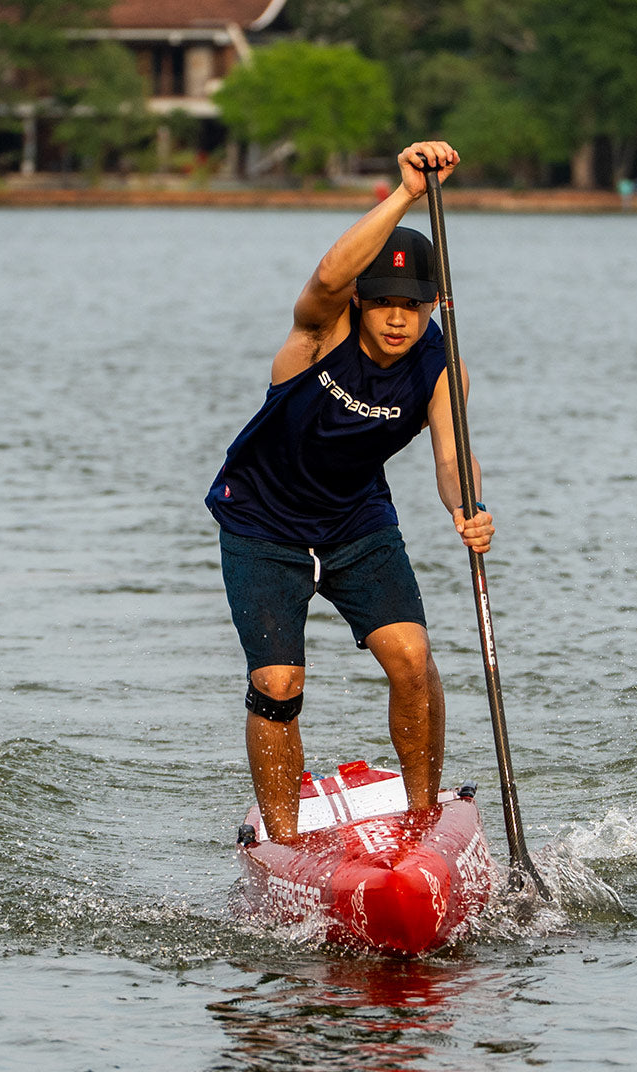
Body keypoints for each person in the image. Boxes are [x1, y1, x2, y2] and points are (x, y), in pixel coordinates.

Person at [206, 139, 494, 844]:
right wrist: (403, 194)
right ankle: (283, 843)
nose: (399, 319)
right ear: (362, 304)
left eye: (414, 306)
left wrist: (467, 508)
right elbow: (330, 274)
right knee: (279, 684)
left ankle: (425, 822)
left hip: (356, 521)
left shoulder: (437, 365)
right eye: (385, 303)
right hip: (261, 522)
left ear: (433, 307)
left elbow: (452, 453)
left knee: (411, 658)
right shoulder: (319, 330)